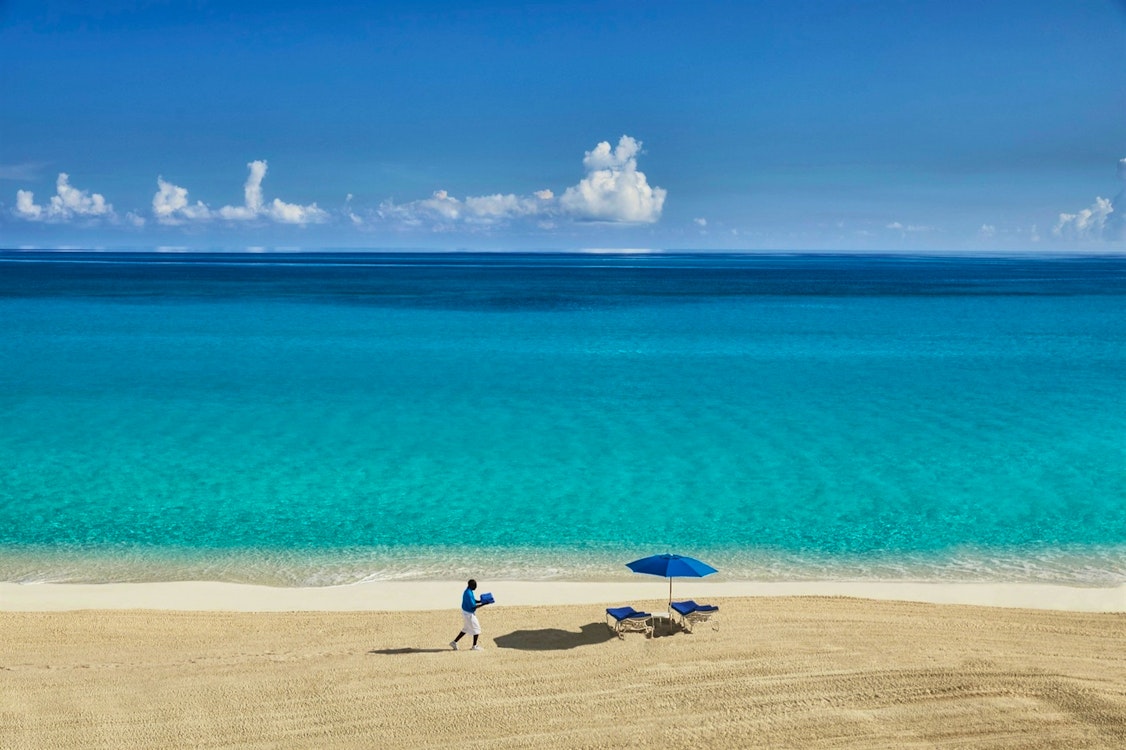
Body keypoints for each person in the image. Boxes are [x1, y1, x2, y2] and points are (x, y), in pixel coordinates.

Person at [451, 578, 490, 651]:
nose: (476, 587)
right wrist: (484, 604)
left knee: (466, 628)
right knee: (477, 629)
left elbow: (473, 600)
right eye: (475, 586)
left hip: (466, 612)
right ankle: (474, 646)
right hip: (469, 614)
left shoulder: (468, 591)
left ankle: (454, 642)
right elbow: (473, 606)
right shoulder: (468, 593)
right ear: (471, 585)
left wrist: (481, 601)